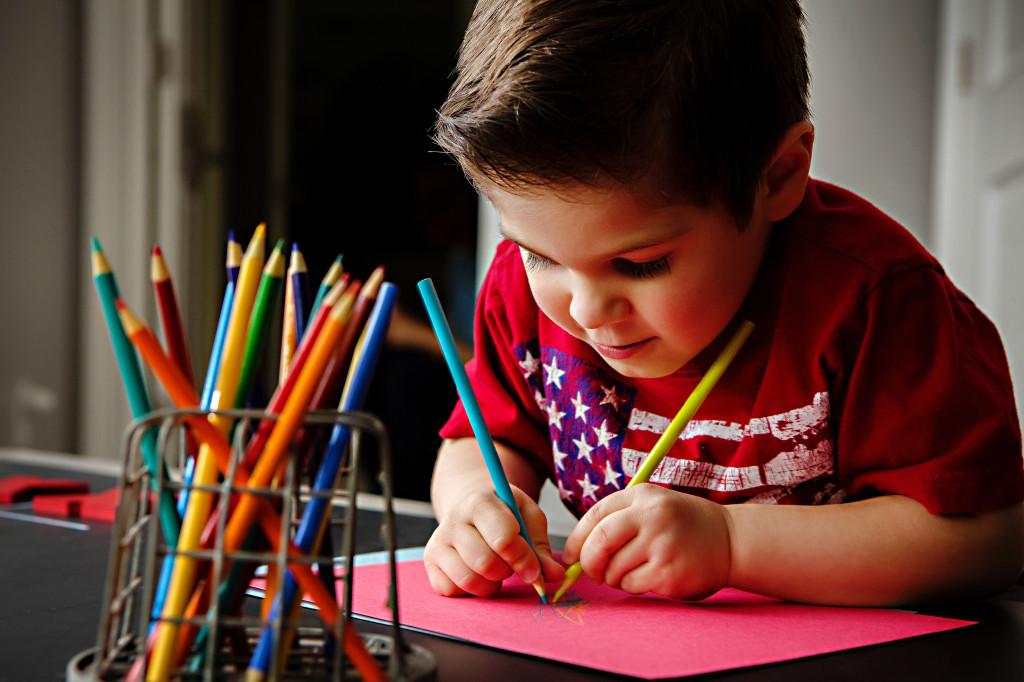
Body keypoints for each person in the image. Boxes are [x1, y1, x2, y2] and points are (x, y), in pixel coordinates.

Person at [422, 0, 1024, 607]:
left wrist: (733, 542)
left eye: (640, 263)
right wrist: (476, 505)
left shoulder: (874, 300)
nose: (586, 310)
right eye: (539, 255)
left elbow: (988, 541)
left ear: (777, 177)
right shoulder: (518, 291)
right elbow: (488, 438)